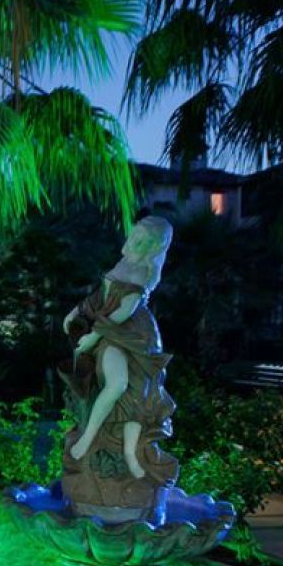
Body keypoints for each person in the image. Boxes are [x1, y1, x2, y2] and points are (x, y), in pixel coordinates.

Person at [60, 216, 178, 513]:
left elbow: (123, 312)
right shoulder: (123, 264)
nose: (136, 243)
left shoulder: (144, 272)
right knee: (116, 384)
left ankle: (130, 454)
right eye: (136, 235)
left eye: (145, 241)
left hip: (133, 336)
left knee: (139, 394)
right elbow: (101, 297)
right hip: (111, 335)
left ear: (155, 247)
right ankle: (86, 440)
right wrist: (76, 312)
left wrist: (92, 337)